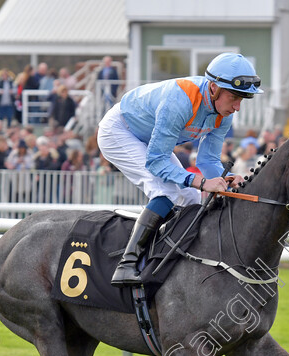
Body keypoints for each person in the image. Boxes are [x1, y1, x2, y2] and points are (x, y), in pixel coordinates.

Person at [96, 52, 257, 286]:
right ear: (213, 88)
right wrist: (204, 183)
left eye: (243, 99)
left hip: (149, 139)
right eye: (234, 97)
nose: (237, 107)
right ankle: (126, 264)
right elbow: (156, 162)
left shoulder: (224, 114)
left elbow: (207, 161)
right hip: (120, 131)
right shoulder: (180, 101)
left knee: (190, 196)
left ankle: (177, 259)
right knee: (166, 192)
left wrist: (226, 178)